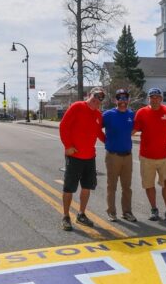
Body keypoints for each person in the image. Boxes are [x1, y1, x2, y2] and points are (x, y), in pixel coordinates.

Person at [58, 87, 106, 231]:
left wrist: (111, 143)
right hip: (74, 156)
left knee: (87, 187)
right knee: (69, 188)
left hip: (90, 157)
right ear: (89, 95)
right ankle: (66, 216)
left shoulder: (98, 114)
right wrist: (68, 146)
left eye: (100, 99)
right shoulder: (77, 106)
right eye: (95, 97)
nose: (97, 100)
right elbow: (63, 126)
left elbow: (99, 133)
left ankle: (81, 214)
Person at [133, 87, 166, 224]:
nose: (154, 100)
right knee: (149, 185)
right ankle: (154, 209)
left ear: (161, 98)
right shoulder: (141, 113)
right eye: (152, 97)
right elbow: (132, 130)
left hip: (164, 157)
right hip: (146, 156)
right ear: (148, 99)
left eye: (157, 97)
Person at [101, 88, 137, 222]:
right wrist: (105, 140)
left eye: (125, 98)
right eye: (120, 98)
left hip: (127, 156)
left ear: (128, 100)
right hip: (113, 156)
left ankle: (127, 212)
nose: (123, 101)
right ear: (115, 100)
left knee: (127, 187)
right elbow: (95, 127)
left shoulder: (131, 114)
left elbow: (134, 129)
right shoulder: (108, 114)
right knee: (112, 185)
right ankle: (111, 212)